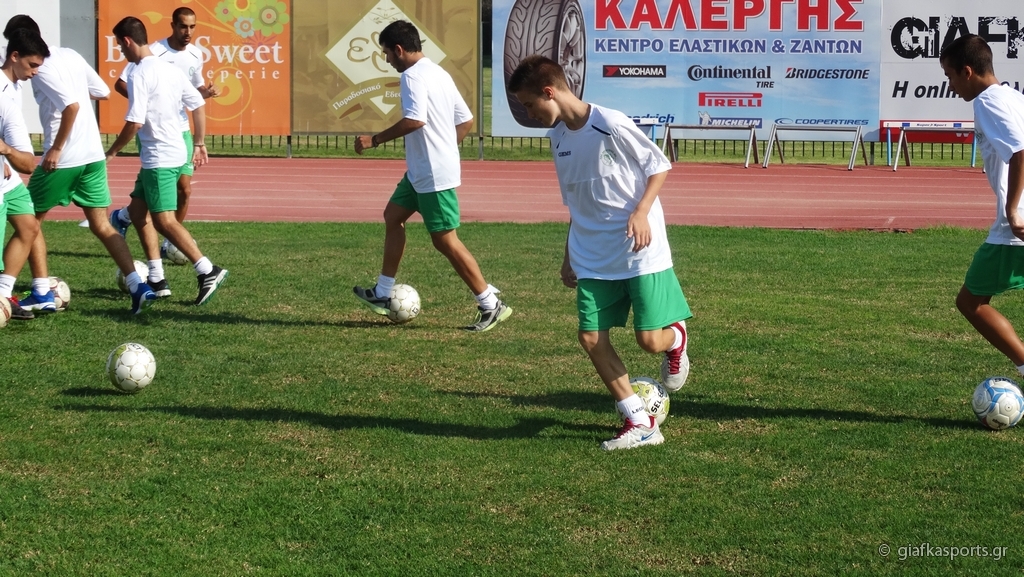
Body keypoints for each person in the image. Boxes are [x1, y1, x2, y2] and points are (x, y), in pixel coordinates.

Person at [508, 55, 691, 451]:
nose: (528, 114)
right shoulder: (557, 139)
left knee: (649, 342)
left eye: (529, 104)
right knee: (590, 337)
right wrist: (568, 255)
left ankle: (675, 338)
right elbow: (577, 204)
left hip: (638, 250)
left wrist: (641, 212)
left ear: (549, 92)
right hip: (591, 255)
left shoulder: (611, 123)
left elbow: (658, 165)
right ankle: (640, 422)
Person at [352, 20, 511, 332]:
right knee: (393, 216)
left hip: (432, 174)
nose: (387, 60)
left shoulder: (412, 76)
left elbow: (415, 120)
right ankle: (383, 291)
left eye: (387, 53)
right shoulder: (438, 72)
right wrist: (445, 149)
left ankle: (490, 304)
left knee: (445, 241)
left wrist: (375, 140)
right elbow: (466, 120)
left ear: (399, 50)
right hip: (421, 171)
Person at [2, 15, 156, 315]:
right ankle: (138, 285)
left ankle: (41, 291)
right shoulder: (70, 54)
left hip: (63, 158)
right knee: (101, 224)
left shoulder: (40, 67)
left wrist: (57, 147)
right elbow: (103, 92)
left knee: (29, 222)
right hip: (92, 153)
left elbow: (70, 105)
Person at [105, 16, 227, 307]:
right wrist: (199, 142)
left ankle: (207, 270)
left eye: (120, 46)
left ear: (127, 41)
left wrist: (112, 151)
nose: (121, 51)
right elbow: (197, 103)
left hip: (159, 156)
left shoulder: (139, 73)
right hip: (174, 150)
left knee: (164, 220)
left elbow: (135, 122)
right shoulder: (169, 69)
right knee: (138, 213)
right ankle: (157, 279)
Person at [941, 35, 1024, 377]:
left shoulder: (987, 102)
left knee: (970, 302)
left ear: (968, 71)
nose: (950, 85)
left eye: (950, 76)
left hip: (1014, 230)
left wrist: (1012, 209)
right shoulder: (1014, 97)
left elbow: (1019, 151)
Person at [0, 29, 47, 321]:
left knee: (29, 227)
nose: (35, 72)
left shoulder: (14, 86)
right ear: (14, 57)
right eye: (32, 65)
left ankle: (4, 294)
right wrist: (5, 151)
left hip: (8, 177)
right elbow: (28, 164)